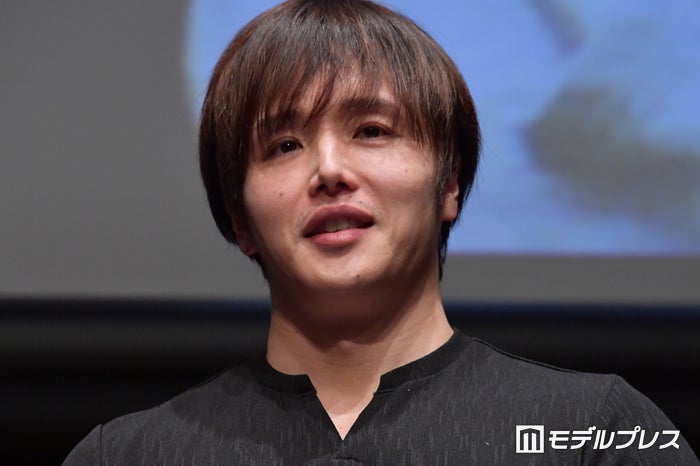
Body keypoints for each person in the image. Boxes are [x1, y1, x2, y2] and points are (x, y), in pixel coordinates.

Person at [64, 0, 698, 464]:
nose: (329, 170)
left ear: (450, 184)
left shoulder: (600, 434)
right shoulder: (128, 455)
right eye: (284, 145)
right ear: (239, 221)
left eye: (371, 131)